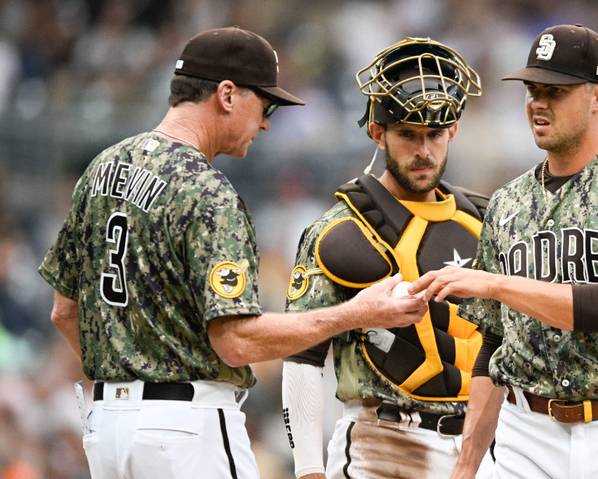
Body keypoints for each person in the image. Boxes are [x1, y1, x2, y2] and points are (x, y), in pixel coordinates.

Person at [37, 26, 427, 479]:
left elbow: (64, 313)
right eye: (265, 105)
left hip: (105, 428)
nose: (265, 122)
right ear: (227, 94)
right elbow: (237, 340)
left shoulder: (101, 169)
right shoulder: (206, 190)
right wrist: (356, 313)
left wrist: (125, 375)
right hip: (185, 429)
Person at [410, 24, 598, 479]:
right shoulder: (506, 202)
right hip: (526, 432)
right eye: (532, 89)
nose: (538, 102)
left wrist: (497, 284)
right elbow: (493, 347)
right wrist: (466, 465)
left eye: (556, 90)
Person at [281, 37, 495, 479]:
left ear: (452, 129)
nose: (424, 151)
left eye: (435, 134)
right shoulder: (340, 231)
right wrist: (307, 470)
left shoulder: (486, 220)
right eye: (408, 135)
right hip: (384, 444)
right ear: (378, 132)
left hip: (487, 445)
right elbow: (302, 355)